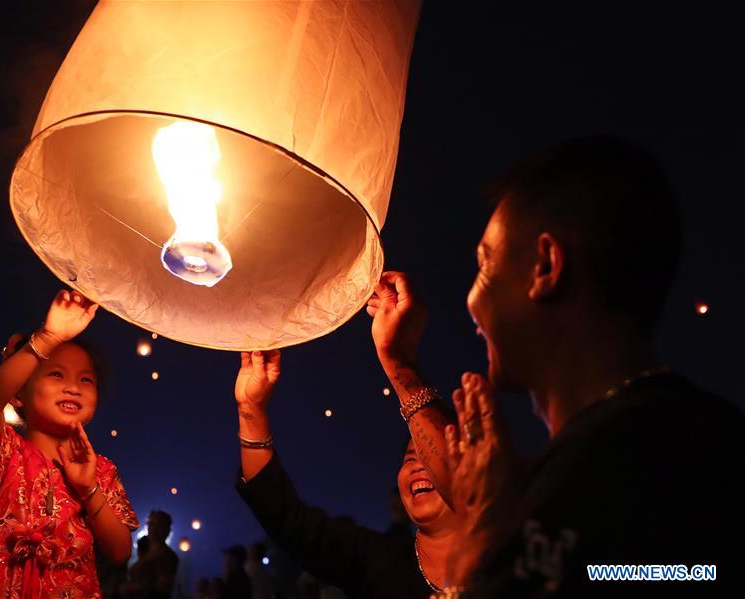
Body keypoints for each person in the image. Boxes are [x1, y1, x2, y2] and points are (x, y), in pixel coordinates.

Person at [367, 136, 745, 596]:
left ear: (546, 266)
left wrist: (482, 552)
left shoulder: (630, 471)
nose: (471, 302)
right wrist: (400, 361)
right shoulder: (697, 434)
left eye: (485, 266)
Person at [234, 350, 457, 598]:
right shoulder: (375, 559)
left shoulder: (503, 563)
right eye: (409, 458)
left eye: (428, 456)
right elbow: (286, 517)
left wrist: (400, 363)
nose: (417, 466)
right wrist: (251, 410)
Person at [0, 289, 139, 598]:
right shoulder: (5, 449)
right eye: (56, 374)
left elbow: (120, 552)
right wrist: (48, 337)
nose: (72, 387)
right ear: (19, 394)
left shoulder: (102, 470)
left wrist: (89, 489)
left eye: (86, 380)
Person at [123, 510, 179, 599]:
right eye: (151, 524)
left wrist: (131, 588)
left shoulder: (167, 555)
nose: (153, 528)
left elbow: (162, 587)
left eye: (159, 525)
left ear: (166, 530)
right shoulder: (145, 550)